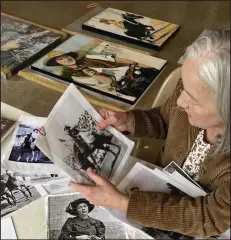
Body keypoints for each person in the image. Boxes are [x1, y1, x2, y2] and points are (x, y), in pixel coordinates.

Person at [68, 29, 230, 238]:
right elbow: (167, 117)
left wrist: (122, 203)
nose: (180, 102)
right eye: (183, 89)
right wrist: (130, 121)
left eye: (194, 100)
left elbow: (208, 217)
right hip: (164, 184)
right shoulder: (192, 86)